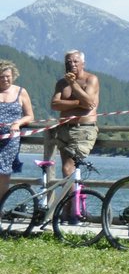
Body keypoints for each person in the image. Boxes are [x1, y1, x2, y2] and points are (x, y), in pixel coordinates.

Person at [47, 50, 99, 181]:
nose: (72, 64)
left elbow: (88, 104)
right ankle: (71, 201)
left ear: (83, 64)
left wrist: (73, 84)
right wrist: (77, 102)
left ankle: (71, 201)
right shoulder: (61, 83)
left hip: (83, 130)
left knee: (68, 168)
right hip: (64, 130)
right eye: (68, 62)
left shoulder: (91, 79)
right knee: (66, 170)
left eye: (75, 61)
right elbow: (54, 104)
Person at [0, 60, 36, 199]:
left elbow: (30, 116)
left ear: (13, 75)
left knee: (3, 173)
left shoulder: (21, 92)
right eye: (1, 76)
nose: (5, 79)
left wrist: (18, 123)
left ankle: (1, 207)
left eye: (7, 76)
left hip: (10, 140)